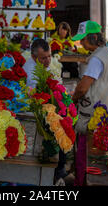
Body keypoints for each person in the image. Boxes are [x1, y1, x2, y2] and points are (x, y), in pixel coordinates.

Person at [71, 20, 108, 186]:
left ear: (92, 38)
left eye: (83, 39)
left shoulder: (96, 59)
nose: (81, 43)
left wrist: (73, 99)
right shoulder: (105, 53)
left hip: (95, 115)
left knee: (86, 156)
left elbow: (83, 87)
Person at [23, 38, 67, 182]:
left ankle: (59, 168)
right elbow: (36, 93)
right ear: (34, 57)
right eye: (44, 58)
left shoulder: (41, 64)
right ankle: (56, 171)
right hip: (33, 111)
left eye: (49, 56)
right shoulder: (30, 71)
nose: (48, 60)